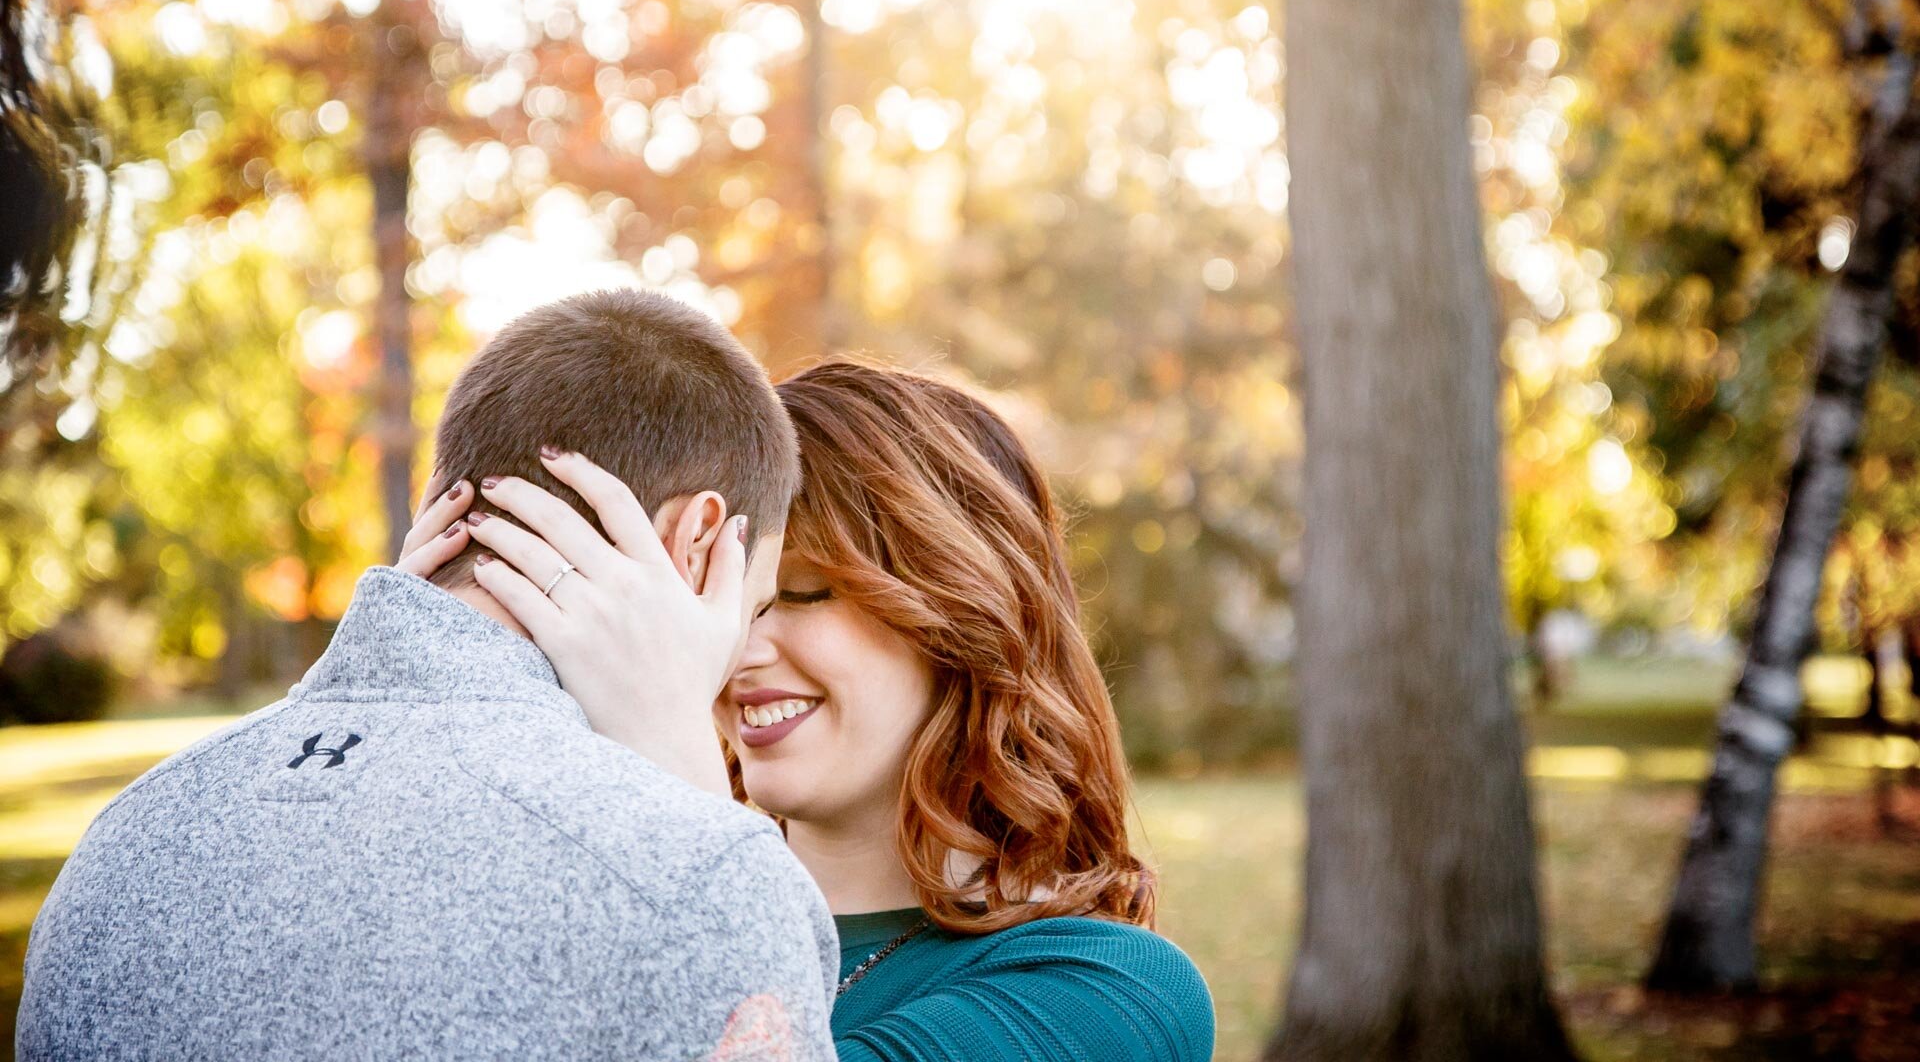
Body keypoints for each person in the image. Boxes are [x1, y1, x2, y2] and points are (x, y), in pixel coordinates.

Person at [16, 290, 839, 1061]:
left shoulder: (124, 841)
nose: (743, 650)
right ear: (695, 540)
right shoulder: (710, 882)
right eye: (754, 597)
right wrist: (691, 805)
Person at [403, 357, 1216, 1061]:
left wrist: (663, 775)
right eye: (709, 604)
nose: (729, 653)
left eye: (799, 594)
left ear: (964, 614)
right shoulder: (562, 914)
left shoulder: (1111, 996)